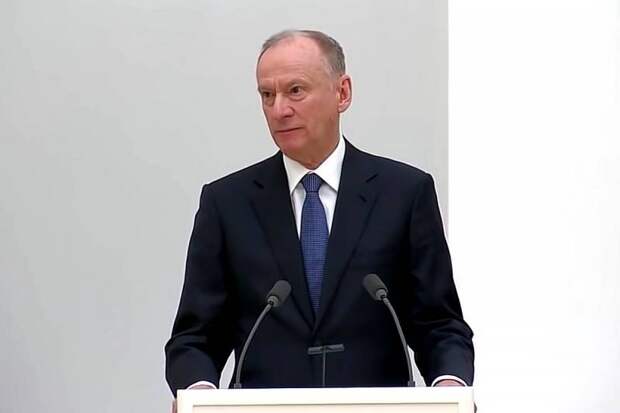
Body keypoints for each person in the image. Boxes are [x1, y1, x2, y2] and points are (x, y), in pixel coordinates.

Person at [165, 30, 474, 401]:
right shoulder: (227, 202)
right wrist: (198, 394)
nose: (279, 110)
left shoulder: (405, 193)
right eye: (267, 95)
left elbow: (439, 325)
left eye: (295, 90)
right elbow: (195, 337)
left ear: (342, 93)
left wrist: (451, 389)